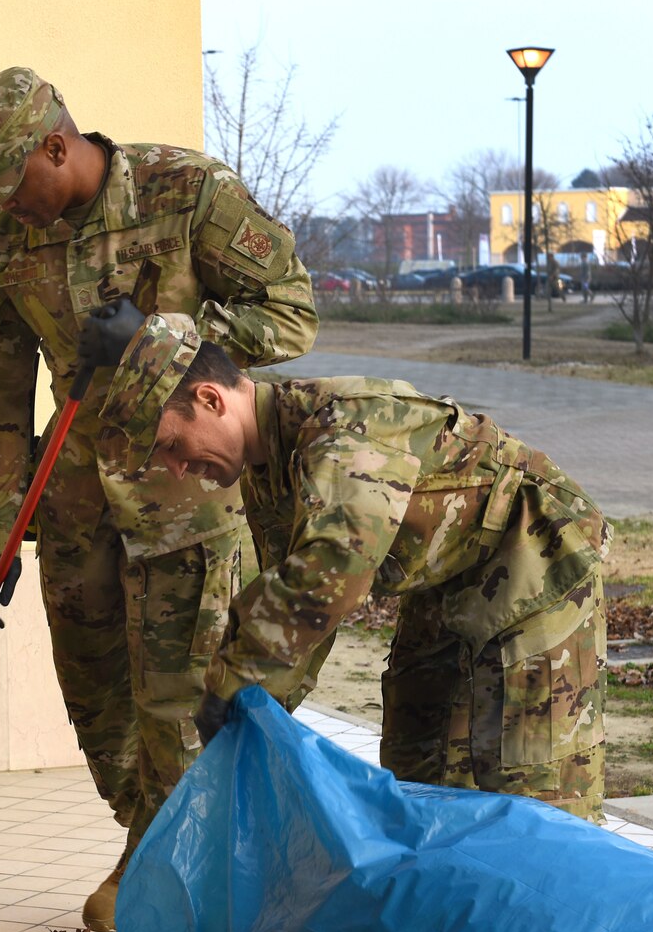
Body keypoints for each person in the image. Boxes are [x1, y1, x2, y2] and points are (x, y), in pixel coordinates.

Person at [0, 67, 317, 928]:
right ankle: (153, 839)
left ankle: (178, 880)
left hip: (185, 500)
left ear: (56, 146)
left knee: (179, 701)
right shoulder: (3, 251)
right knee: (99, 701)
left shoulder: (186, 193)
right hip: (75, 511)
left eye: (16, 184)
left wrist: (158, 340)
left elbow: (291, 312)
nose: (11, 206)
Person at [86, 305, 613, 818]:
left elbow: (332, 569)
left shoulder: (342, 431)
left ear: (210, 399)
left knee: (535, 800)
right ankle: (445, 904)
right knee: (418, 769)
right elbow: (289, 610)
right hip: (443, 585)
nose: (178, 470)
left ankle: (568, 901)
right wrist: (247, 721)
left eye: (173, 445)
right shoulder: (267, 466)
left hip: (537, 569)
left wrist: (232, 687)